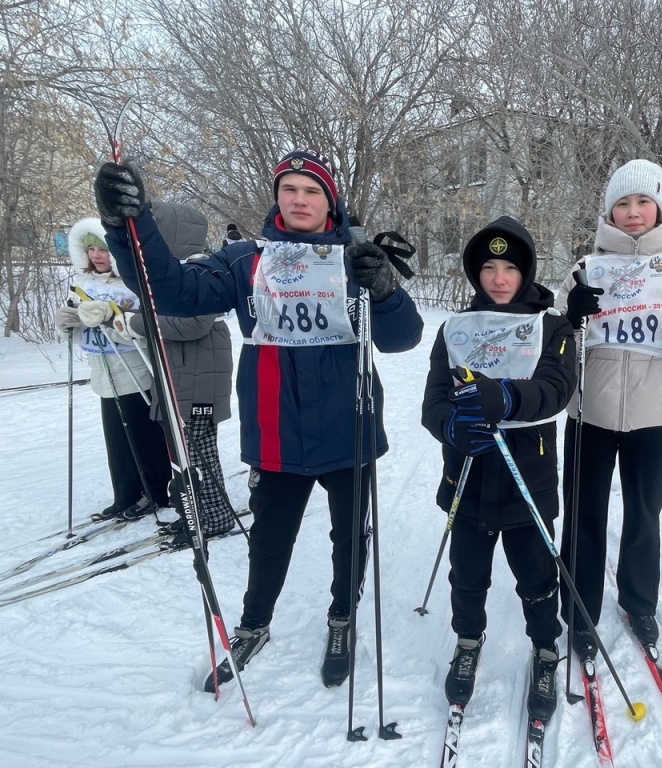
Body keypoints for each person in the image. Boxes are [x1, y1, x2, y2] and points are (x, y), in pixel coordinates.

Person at [92, 148, 424, 690]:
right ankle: (254, 624)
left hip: (349, 429)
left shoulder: (354, 259)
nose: (299, 198)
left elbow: (402, 337)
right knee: (270, 537)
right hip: (277, 432)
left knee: (349, 538)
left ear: (329, 200)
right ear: (276, 196)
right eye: (289, 188)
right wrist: (127, 224)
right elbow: (174, 290)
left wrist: (385, 289)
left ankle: (342, 617)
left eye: (312, 190)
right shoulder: (248, 259)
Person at [555, 159, 662, 653]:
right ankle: (580, 604)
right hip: (591, 411)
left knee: (644, 513)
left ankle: (639, 600)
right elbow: (557, 349)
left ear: (659, 207)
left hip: (655, 415)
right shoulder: (585, 268)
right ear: (609, 211)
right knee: (584, 510)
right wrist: (571, 320)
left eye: (642, 202)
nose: (632, 213)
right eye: (622, 204)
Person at [421, 216, 576, 723]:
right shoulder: (456, 329)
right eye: (487, 266)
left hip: (525, 481)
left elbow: (556, 389)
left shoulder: (550, 325)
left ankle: (546, 648)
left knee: (536, 575)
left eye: (510, 267)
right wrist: (451, 428)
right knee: (467, 575)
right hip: (467, 477)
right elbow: (434, 402)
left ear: (526, 272)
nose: (499, 277)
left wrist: (507, 395)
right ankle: (468, 640)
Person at [105, 201, 236, 546]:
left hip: (201, 382)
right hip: (180, 378)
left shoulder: (202, 273)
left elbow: (193, 323)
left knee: (200, 451)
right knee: (184, 454)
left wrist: (137, 324)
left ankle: (214, 517)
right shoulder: (171, 277)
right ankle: (194, 513)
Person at [54, 218, 171, 522]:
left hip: (135, 370)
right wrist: (66, 322)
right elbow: (74, 327)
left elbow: (145, 325)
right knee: (117, 439)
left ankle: (156, 491)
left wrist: (110, 317)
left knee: (143, 435)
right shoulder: (82, 284)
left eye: (103, 250)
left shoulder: (132, 281)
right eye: (91, 249)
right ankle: (126, 493)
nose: (96, 255)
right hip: (104, 371)